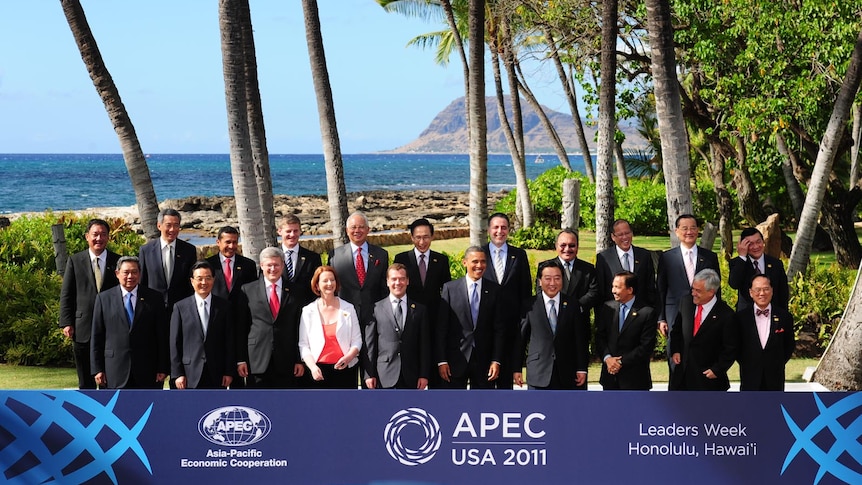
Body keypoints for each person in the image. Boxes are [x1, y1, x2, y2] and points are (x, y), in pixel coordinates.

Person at [59, 218, 120, 389]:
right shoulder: (75, 260)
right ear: (87, 236)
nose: (98, 238)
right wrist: (67, 322)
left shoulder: (118, 262)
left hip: (112, 328)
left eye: (103, 235)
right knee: (86, 379)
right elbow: (67, 294)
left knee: (108, 378)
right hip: (83, 327)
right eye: (95, 234)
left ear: (108, 237)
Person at [91, 256, 169, 389]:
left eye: (134, 272)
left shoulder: (154, 298)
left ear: (139, 274)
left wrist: (163, 367)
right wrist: (97, 369)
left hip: (147, 370)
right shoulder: (104, 299)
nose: (130, 276)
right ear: (117, 273)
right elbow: (97, 336)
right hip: (114, 370)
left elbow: (162, 335)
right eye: (126, 272)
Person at [536, 229, 600, 389]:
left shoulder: (588, 269)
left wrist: (571, 309)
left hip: (577, 331)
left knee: (575, 389)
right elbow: (540, 294)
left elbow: (594, 293)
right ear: (556, 246)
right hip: (550, 334)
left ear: (577, 247)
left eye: (572, 245)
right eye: (563, 245)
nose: (567, 249)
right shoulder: (545, 267)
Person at [436, 246, 506, 389]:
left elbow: (499, 329)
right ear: (465, 262)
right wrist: (442, 360)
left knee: (483, 406)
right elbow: (442, 328)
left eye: (483, 262)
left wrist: (496, 360)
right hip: (455, 360)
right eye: (475, 261)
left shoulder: (495, 290)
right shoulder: (450, 289)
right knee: (454, 407)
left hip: (485, 362)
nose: (479, 266)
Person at [657, 214, 720, 368]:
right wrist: (661, 318)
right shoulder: (667, 258)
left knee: (703, 354)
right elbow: (660, 289)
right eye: (684, 228)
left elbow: (716, 288)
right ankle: (676, 391)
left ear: (698, 230)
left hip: (703, 311)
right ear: (676, 231)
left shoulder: (710, 257)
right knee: (676, 356)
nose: (689, 232)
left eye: (693, 228)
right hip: (675, 314)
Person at [513, 261, 588, 390]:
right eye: (548, 279)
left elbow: (580, 338)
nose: (552, 283)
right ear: (540, 281)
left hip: (567, 372)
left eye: (557, 278)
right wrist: (516, 368)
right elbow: (520, 339)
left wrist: (582, 368)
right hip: (538, 372)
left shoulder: (573, 304)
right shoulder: (529, 305)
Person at [236, 247, 303, 388]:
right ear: (261, 265)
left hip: (287, 358)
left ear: (283, 265)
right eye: (269, 265)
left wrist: (299, 360)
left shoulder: (296, 291)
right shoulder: (247, 290)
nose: (273, 269)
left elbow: (299, 327)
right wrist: (241, 360)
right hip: (256, 359)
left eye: (276, 265)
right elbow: (241, 327)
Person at [482, 213, 531, 390]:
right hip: (485, 329)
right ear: (489, 230)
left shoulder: (519, 255)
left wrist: (523, 322)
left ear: (509, 230)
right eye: (495, 227)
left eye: (503, 227)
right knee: (483, 382)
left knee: (505, 385)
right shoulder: (480, 254)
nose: (499, 231)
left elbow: (525, 292)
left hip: (511, 328)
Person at [363, 263, 431, 389]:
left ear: (408, 281)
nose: (398, 283)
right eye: (394, 279)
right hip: (384, 375)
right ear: (387, 282)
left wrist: (424, 374)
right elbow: (370, 344)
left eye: (402, 278)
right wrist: (369, 374)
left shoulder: (420, 310)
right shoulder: (375, 309)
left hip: (412, 376)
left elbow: (424, 345)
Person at [669, 269, 737, 391]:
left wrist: (717, 370)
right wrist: (675, 350)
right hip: (681, 378)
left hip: (708, 381)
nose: (693, 293)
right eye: (693, 289)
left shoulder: (726, 314)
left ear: (711, 292)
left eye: (698, 291)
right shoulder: (686, 302)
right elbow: (676, 331)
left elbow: (731, 348)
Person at [170, 261, 234, 390]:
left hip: (217, 372)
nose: (204, 283)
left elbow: (229, 340)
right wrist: (178, 373)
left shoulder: (224, 306)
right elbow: (174, 342)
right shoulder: (180, 307)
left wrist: (229, 371)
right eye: (199, 279)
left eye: (208, 278)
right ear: (192, 281)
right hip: (189, 373)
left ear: (214, 280)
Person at [298, 266, 362, 389]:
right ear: (317, 285)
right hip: (317, 372)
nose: (329, 284)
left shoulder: (348, 308)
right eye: (325, 281)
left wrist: (348, 358)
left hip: (345, 370)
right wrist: (312, 367)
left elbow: (357, 340)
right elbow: (303, 345)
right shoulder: (308, 311)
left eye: (332, 280)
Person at [594, 272, 658, 390]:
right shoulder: (607, 308)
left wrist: (620, 362)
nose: (613, 290)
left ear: (630, 290)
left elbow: (646, 346)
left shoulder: (647, 313)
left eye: (617, 287)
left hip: (635, 379)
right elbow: (600, 337)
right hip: (610, 378)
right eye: (613, 286)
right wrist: (607, 358)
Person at [328, 212, 389, 329]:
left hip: (374, 315)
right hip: (344, 315)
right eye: (353, 227)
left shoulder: (381, 255)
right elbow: (332, 287)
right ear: (347, 230)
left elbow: (384, 287)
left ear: (368, 229)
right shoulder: (335, 256)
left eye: (361, 227)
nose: (357, 230)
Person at [735, 274, 795, 391]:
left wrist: (776, 362)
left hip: (775, 379)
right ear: (751, 292)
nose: (762, 293)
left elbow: (789, 345)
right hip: (749, 377)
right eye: (757, 290)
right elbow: (736, 346)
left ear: (772, 291)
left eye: (766, 289)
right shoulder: (740, 318)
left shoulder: (784, 317)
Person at [393, 218, 451, 326]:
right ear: (412, 238)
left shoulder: (441, 260)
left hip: (434, 316)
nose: (422, 242)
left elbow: (446, 289)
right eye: (418, 237)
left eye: (426, 237)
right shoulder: (402, 259)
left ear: (432, 237)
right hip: (409, 316)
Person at [139, 208, 197, 312]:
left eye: (176, 225)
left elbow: (191, 282)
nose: (172, 229)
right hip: (153, 309)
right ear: (159, 226)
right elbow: (142, 282)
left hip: (181, 308)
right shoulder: (146, 250)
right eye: (168, 225)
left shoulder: (189, 250)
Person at [595, 219, 657, 306]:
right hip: (614, 313)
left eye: (627, 233)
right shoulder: (604, 258)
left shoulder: (644, 255)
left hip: (641, 312)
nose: (625, 237)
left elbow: (650, 287)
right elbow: (601, 291)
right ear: (613, 237)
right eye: (620, 234)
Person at [728, 227, 789, 311]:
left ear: (763, 241)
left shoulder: (776, 264)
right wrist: (742, 257)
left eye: (758, 242)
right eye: (750, 244)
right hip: (747, 315)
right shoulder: (738, 263)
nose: (756, 247)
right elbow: (734, 284)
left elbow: (783, 294)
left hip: (772, 314)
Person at [278, 214, 322, 307]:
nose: (292, 235)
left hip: (305, 310)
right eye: (288, 231)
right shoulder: (271, 257)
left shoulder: (312, 258)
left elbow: (317, 287)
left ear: (300, 231)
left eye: (295, 231)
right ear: (279, 231)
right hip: (280, 311)